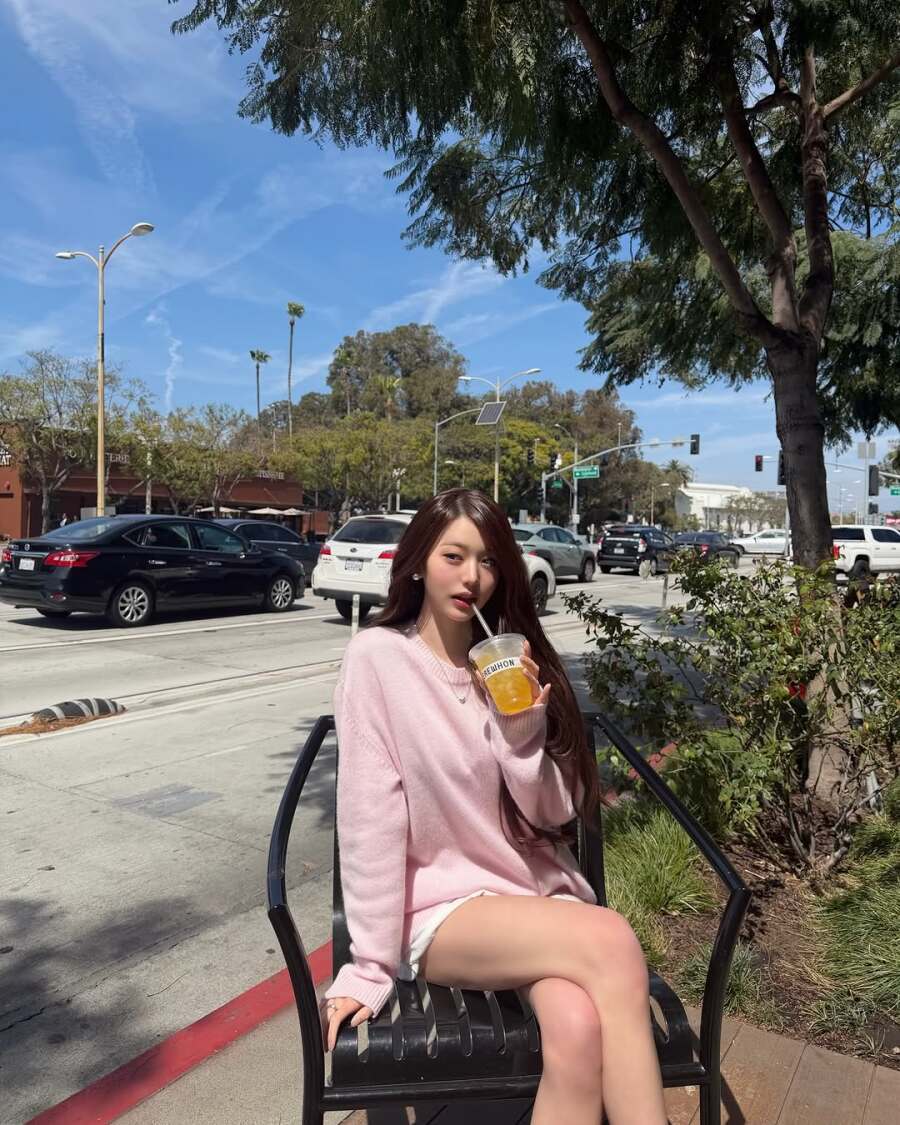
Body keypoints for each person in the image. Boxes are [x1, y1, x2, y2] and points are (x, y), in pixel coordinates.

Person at [321, 489, 667, 1125]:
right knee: (614, 940)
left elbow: (553, 813)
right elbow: (371, 819)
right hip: (441, 910)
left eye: (487, 562)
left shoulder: (515, 666)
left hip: (531, 900)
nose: (471, 578)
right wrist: (369, 964)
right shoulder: (378, 659)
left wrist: (521, 734)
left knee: (577, 1027)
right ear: (419, 563)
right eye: (453, 556)